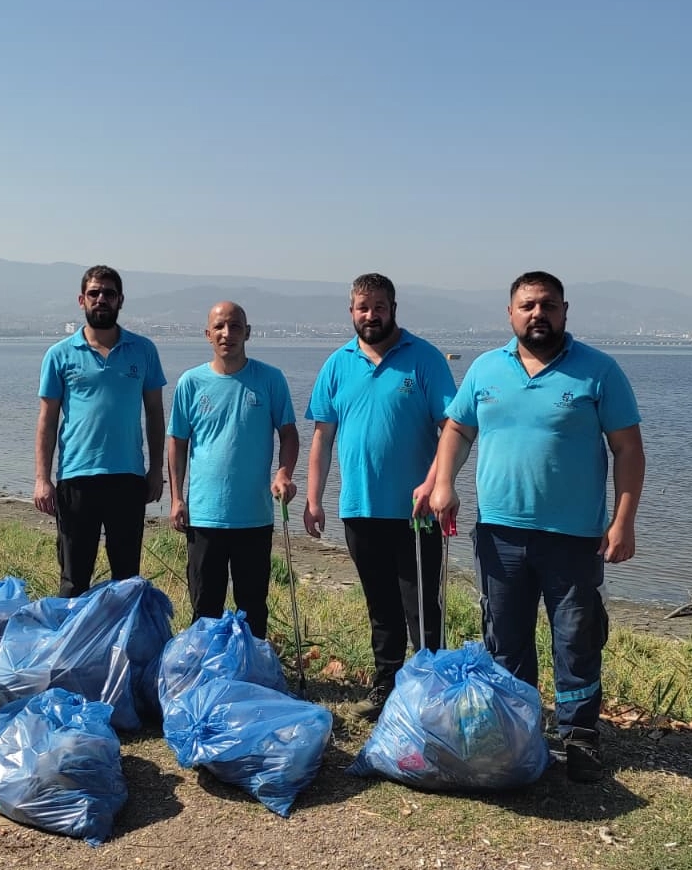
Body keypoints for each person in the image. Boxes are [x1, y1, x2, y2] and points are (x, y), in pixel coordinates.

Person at [423, 271, 645, 783]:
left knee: (577, 638)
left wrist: (623, 521)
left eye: (547, 305)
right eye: (527, 305)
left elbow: (628, 449)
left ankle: (579, 737)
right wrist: (442, 484)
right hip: (499, 533)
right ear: (510, 313)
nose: (537, 314)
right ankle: (516, 732)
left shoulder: (598, 371)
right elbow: (457, 428)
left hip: (574, 537)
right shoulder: (485, 369)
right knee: (506, 638)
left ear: (565, 310)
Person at [303, 273, 457, 720]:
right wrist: (314, 500)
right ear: (351, 311)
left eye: (380, 306)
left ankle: (434, 690)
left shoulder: (423, 358)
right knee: (380, 605)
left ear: (394, 308)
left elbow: (452, 427)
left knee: (422, 606)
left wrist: (434, 483)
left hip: (417, 513)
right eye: (363, 307)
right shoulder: (337, 364)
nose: (371, 315)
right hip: (360, 509)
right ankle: (386, 684)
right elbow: (321, 438)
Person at [167, 301, 299, 639]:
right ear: (208, 334)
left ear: (248, 332)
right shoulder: (190, 383)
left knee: (253, 606)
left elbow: (288, 433)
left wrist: (284, 473)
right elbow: (177, 443)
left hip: (254, 516)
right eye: (220, 327)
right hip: (205, 515)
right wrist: (177, 498)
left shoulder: (270, 380)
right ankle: (203, 676)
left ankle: (251, 674)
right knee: (204, 606)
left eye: (236, 326)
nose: (228, 334)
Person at [34, 265, 167, 597]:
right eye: (94, 293)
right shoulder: (59, 355)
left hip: (128, 477)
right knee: (73, 579)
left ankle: (120, 647)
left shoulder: (143, 350)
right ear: (82, 300)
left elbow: (154, 414)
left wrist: (155, 471)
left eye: (109, 293)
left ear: (121, 300)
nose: (101, 299)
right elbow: (47, 421)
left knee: (126, 580)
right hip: (77, 477)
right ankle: (72, 647)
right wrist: (42, 478)